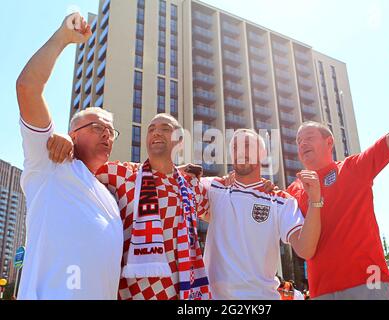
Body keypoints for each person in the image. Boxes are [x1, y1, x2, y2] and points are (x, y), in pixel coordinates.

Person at [286, 45, 389, 300]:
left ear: (329, 142)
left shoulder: (354, 167)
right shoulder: (293, 190)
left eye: (308, 137)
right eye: (298, 142)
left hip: (370, 287)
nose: (302, 144)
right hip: (322, 293)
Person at [15, 13, 123, 299]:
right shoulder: (50, 161)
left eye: (112, 132)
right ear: (72, 134)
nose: (107, 135)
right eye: (98, 127)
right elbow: (28, 88)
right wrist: (63, 38)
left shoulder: (111, 195)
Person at [95, 114, 211, 300]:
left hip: (183, 292)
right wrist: (67, 141)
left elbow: (215, 214)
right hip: (132, 293)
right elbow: (80, 168)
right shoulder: (121, 174)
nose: (156, 132)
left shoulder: (192, 186)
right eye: (151, 129)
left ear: (179, 141)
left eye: (165, 128)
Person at [200, 129, 321, 300]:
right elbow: (174, 183)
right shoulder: (213, 187)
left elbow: (305, 249)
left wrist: (315, 201)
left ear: (262, 153)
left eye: (247, 145)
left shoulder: (281, 200)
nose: (241, 151)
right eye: (235, 147)